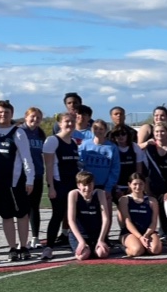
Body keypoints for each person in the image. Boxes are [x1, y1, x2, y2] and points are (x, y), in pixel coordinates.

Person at [0, 100, 36, 262]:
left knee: (22, 215)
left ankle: (24, 246)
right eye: (0, 112)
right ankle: (12, 247)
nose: (3, 115)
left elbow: (26, 158)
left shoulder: (18, 132)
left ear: (12, 114)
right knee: (6, 216)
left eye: (6, 112)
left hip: (16, 183)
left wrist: (30, 179)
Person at [41, 112, 80, 260]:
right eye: (66, 121)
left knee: (73, 216)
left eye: (72, 121)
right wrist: (51, 186)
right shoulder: (52, 140)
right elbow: (49, 166)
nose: (70, 124)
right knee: (57, 215)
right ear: (59, 124)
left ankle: (75, 243)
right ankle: (49, 247)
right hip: (59, 184)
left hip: (73, 184)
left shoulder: (74, 142)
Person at [66, 170, 112, 261]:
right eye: (84, 185)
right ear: (79, 185)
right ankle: (87, 248)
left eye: (90, 184)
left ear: (93, 184)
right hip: (80, 235)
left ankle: (96, 247)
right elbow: (71, 220)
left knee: (102, 253)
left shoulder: (100, 193)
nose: (87, 188)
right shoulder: (73, 194)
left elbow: (106, 218)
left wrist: (101, 239)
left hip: (96, 234)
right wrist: (81, 241)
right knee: (82, 256)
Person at [118, 173, 162, 257]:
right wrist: (140, 237)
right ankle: (124, 247)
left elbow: (154, 223)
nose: (138, 187)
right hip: (130, 232)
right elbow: (128, 222)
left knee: (155, 249)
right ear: (129, 185)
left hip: (147, 232)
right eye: (135, 184)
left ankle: (144, 245)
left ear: (144, 184)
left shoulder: (152, 201)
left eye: (141, 184)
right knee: (137, 251)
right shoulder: (124, 200)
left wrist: (146, 235)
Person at [21, 107, 47, 249]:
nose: (35, 119)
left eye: (38, 117)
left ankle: (35, 237)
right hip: (22, 176)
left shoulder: (40, 133)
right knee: (22, 208)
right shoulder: (20, 131)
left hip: (37, 174)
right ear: (26, 117)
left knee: (34, 207)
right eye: (32, 116)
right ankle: (22, 239)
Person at [77, 119, 120, 205]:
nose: (98, 131)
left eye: (101, 129)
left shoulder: (112, 147)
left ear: (105, 130)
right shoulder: (85, 145)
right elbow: (80, 165)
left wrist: (108, 188)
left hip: (104, 185)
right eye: (96, 128)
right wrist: (82, 183)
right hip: (87, 185)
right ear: (92, 130)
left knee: (105, 212)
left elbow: (115, 168)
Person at [110, 126, 145, 212]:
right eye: (117, 135)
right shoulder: (112, 148)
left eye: (123, 134)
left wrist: (136, 186)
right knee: (122, 210)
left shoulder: (135, 147)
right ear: (114, 137)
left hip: (133, 186)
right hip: (118, 186)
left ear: (127, 135)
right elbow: (110, 169)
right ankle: (123, 226)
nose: (120, 137)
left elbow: (139, 170)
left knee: (134, 209)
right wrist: (116, 188)